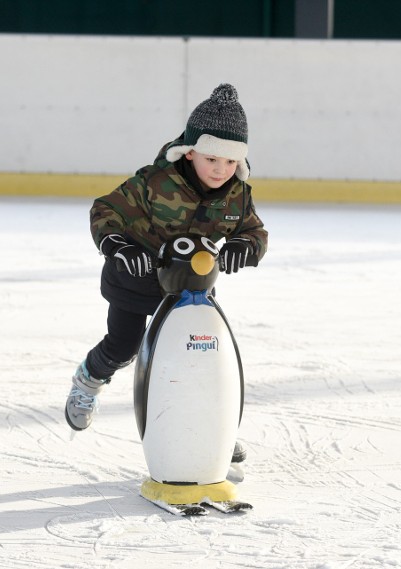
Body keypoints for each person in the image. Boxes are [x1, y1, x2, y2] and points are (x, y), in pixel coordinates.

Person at [65, 83, 268, 462]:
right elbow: (106, 210)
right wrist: (116, 245)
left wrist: (245, 246)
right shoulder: (154, 182)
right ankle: (89, 379)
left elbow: (254, 232)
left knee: (201, 357)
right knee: (124, 347)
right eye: (212, 159)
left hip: (192, 291)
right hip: (134, 280)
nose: (220, 170)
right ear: (190, 152)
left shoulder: (237, 195)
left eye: (229, 161)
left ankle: (214, 429)